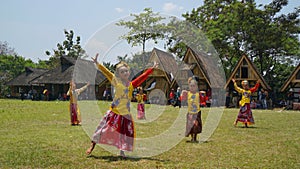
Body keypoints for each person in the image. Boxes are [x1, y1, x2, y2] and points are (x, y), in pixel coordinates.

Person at [86, 53, 158, 157]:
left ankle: (122, 152)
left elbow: (143, 77)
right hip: (114, 113)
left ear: (129, 72)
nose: (125, 73)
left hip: (125, 115)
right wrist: (98, 64)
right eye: (122, 71)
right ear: (119, 74)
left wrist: (152, 69)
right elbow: (107, 73)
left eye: (126, 71)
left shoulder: (132, 85)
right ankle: (92, 146)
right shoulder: (116, 81)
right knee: (101, 130)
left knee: (123, 135)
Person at [181, 77, 202, 143]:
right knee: (190, 125)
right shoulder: (188, 94)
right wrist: (183, 93)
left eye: (194, 86)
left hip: (196, 112)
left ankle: (195, 138)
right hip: (190, 113)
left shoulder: (198, 94)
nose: (192, 87)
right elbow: (182, 99)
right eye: (191, 86)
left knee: (196, 125)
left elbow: (203, 99)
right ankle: (192, 137)